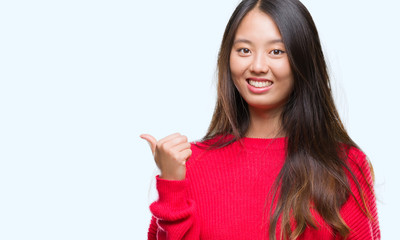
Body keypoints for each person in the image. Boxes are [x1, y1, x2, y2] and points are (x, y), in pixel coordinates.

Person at [140, 0, 381, 239]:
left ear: (303, 60)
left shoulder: (345, 166)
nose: (257, 66)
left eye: (276, 51)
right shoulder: (188, 165)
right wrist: (172, 184)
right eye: (244, 50)